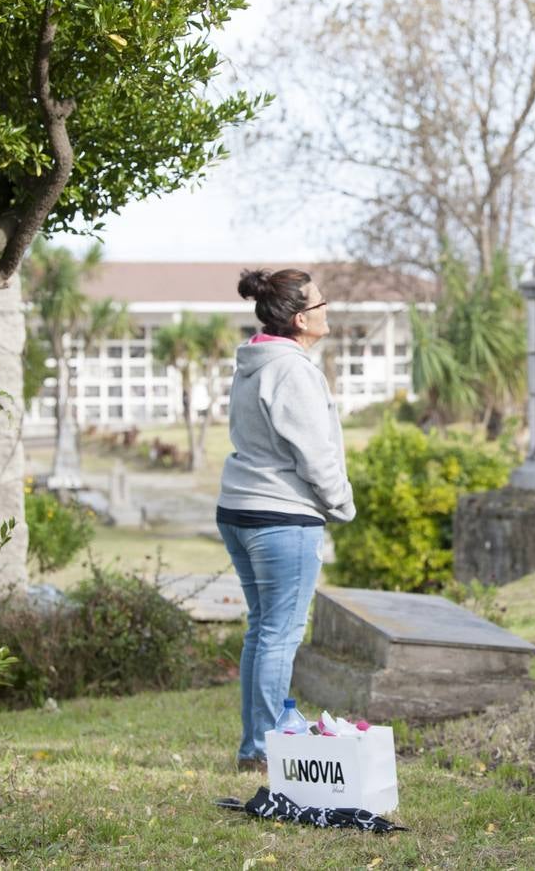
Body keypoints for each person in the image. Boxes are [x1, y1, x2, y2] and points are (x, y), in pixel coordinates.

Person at [216, 268, 356, 773]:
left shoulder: (253, 362)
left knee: (264, 630)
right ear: (301, 319)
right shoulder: (293, 370)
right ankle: (264, 748)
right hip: (280, 515)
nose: (327, 310)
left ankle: (256, 744)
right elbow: (315, 454)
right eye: (321, 304)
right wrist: (341, 503)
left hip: (240, 508)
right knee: (281, 632)